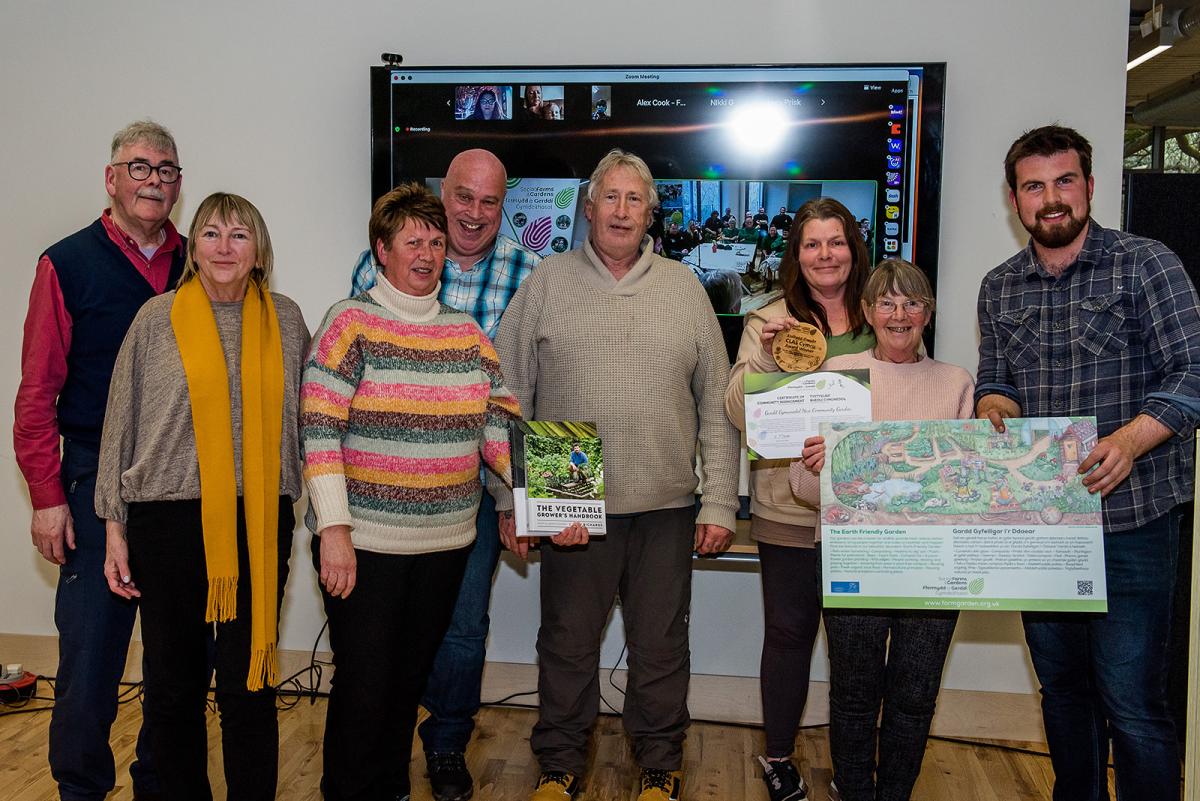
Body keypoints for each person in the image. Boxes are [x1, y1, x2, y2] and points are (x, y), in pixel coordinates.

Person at [494, 149, 740, 801]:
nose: (623, 210)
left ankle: (659, 763)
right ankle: (558, 763)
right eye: (611, 196)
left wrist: (719, 501)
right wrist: (510, 499)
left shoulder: (684, 288)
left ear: (650, 213)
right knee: (567, 643)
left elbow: (718, 402)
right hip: (568, 501)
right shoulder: (546, 282)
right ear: (589, 207)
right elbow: (507, 394)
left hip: (665, 505)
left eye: (635, 199)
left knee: (661, 646)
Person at [976, 125, 1200, 801]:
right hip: (1043, 529)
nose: (1051, 198)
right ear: (1015, 199)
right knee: (1064, 694)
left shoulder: (1145, 264)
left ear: (1091, 186)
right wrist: (993, 406)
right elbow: (998, 378)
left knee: (1132, 703)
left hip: (1132, 523)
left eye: (1065, 180)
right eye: (1034, 186)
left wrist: (1129, 441)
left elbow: (1192, 372)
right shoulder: (999, 287)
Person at [302, 183, 521, 801]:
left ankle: (390, 788)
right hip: (365, 546)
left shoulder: (466, 334)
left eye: (435, 243)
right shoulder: (349, 323)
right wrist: (334, 531)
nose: (426, 254)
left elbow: (501, 426)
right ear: (382, 250)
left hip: (446, 545)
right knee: (364, 685)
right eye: (412, 242)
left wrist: (555, 499)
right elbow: (318, 430)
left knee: (406, 682)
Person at [97, 192, 310, 800]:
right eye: (211, 233)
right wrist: (113, 525)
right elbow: (120, 421)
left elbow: (311, 421)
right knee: (173, 687)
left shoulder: (286, 319)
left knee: (250, 685)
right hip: (166, 524)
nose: (224, 247)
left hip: (257, 521)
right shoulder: (155, 318)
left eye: (239, 235)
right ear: (193, 248)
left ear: (259, 251)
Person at [14, 119, 185, 801]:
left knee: (176, 661)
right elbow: (37, 391)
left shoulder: (200, 263)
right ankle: (80, 789)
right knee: (89, 660)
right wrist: (46, 497)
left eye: (166, 169)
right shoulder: (66, 264)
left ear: (178, 184)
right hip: (91, 477)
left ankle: (157, 783)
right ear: (110, 179)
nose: (153, 180)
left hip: (180, 483)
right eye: (139, 167)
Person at [790, 258, 973, 801]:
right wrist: (819, 468)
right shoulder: (835, 374)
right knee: (853, 694)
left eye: (912, 302)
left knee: (915, 696)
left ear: (928, 313)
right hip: (853, 557)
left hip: (934, 562)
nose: (899, 314)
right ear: (867, 312)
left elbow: (968, 490)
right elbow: (802, 486)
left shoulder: (956, 383)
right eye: (887, 303)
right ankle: (853, 792)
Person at [724, 196, 874, 801]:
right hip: (787, 506)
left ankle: (853, 765)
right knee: (788, 634)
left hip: (863, 509)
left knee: (855, 644)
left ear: (853, 248)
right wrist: (766, 356)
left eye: (835, 242)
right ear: (796, 254)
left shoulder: (880, 314)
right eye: (812, 244)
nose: (825, 255)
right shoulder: (767, 320)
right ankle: (779, 755)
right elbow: (737, 411)